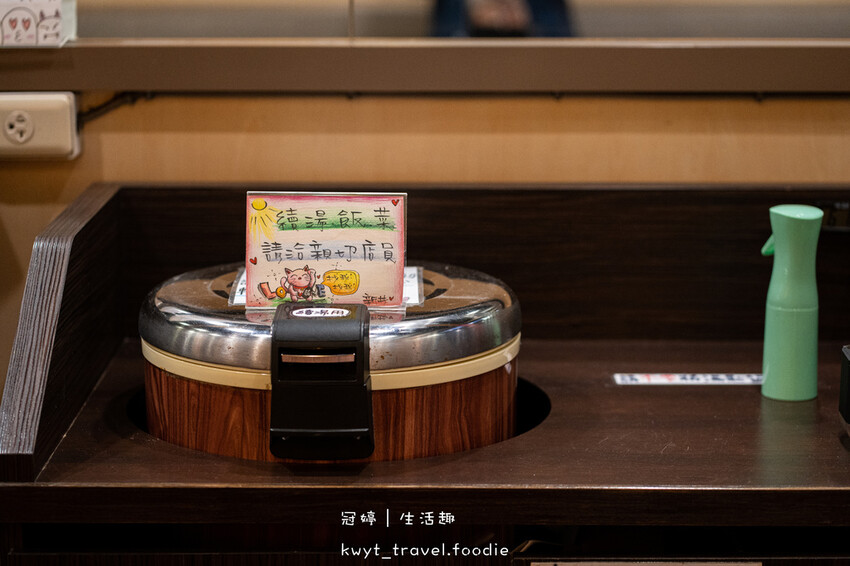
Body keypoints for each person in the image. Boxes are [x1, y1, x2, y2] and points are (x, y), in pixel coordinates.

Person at [433, 0, 571, 37]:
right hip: (469, 77)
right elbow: (438, 57)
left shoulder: (546, 4)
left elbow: (565, 56)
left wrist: (529, 26)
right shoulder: (452, 3)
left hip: (533, 78)